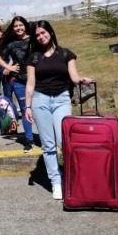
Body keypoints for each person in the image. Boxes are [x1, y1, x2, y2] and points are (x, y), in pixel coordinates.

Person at [24, 20, 92, 200]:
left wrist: (82, 80)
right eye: (37, 35)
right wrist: (28, 107)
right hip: (40, 101)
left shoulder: (66, 54)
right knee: (48, 145)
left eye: (43, 33)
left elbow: (74, 77)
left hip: (62, 100)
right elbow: (30, 84)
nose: (41, 37)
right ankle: (56, 182)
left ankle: (72, 177)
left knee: (64, 142)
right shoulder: (34, 57)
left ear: (51, 33)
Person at [0, 16, 35, 152]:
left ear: (25, 25)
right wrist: (10, 67)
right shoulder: (11, 44)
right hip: (19, 81)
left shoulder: (34, 39)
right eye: (15, 26)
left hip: (37, 81)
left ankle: (48, 139)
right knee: (25, 111)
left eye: (20, 25)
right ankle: (29, 140)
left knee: (41, 110)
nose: (18, 28)